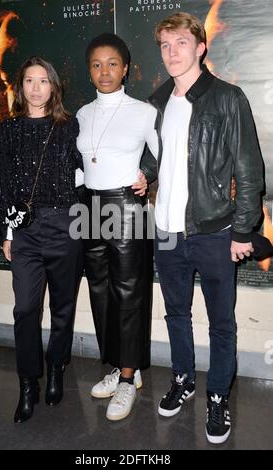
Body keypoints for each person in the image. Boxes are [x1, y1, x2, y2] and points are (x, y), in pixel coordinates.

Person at [148, 13, 264, 444]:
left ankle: (217, 396)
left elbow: (251, 171)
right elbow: (158, 157)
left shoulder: (228, 98)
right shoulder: (158, 100)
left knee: (221, 322)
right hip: (166, 230)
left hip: (214, 230)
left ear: (200, 47)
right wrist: (144, 174)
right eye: (164, 45)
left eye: (180, 43)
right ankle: (183, 377)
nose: (171, 53)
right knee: (175, 313)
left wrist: (242, 230)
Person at [0, 56, 84, 423]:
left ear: (54, 86)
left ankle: (57, 367)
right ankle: (28, 382)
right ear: (20, 87)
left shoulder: (69, 126)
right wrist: (7, 232)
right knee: (25, 310)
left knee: (63, 308)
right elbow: (3, 184)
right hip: (26, 232)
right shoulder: (7, 129)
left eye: (42, 80)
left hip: (65, 226)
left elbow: (84, 177)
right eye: (28, 81)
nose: (35, 88)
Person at [76, 33, 158, 421]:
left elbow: (163, 157)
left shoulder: (144, 112)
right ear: (89, 71)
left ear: (125, 68)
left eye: (112, 63)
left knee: (130, 292)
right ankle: (121, 367)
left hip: (127, 205)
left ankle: (128, 378)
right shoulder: (82, 114)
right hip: (89, 205)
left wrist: (149, 176)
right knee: (100, 291)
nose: (104, 71)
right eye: (96, 64)